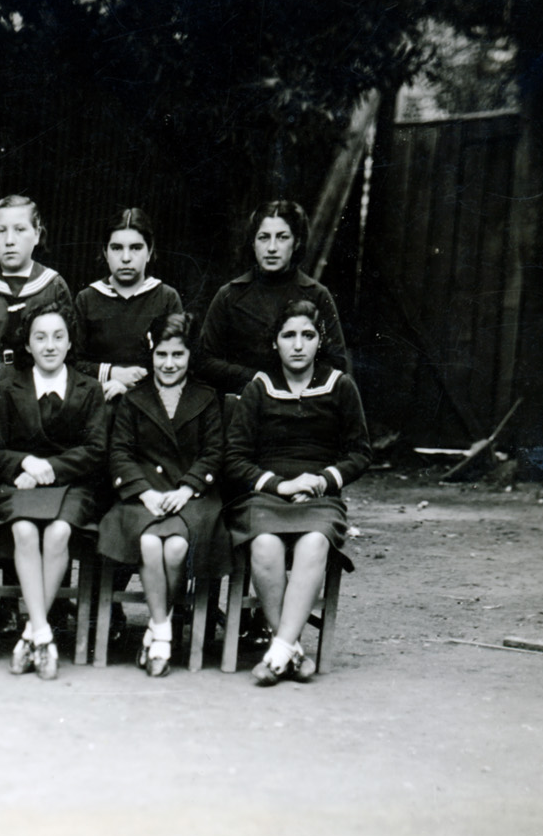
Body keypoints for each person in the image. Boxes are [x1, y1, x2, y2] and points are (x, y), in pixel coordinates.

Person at [223, 299, 371, 685]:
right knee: (264, 545)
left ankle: (277, 651)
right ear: (275, 343)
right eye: (289, 335)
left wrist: (322, 480)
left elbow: (359, 453)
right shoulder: (259, 388)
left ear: (319, 340)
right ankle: (290, 650)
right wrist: (281, 485)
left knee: (315, 543)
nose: (298, 344)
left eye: (307, 335)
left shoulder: (340, 385)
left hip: (319, 498)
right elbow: (235, 458)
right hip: (266, 496)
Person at [0, 302, 107, 680]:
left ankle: (29, 635)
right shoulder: (8, 389)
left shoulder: (88, 389)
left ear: (70, 343)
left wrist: (48, 468)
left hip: (72, 484)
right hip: (18, 482)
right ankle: (42, 634)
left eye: (58, 337)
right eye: (40, 337)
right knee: (23, 531)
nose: (50, 345)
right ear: (28, 345)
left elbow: (96, 450)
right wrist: (24, 464)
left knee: (58, 533)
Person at [96, 312, 223, 676]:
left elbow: (214, 452)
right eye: (161, 355)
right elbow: (119, 453)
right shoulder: (134, 399)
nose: (169, 364)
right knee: (152, 544)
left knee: (178, 546)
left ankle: (155, 629)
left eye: (177, 355)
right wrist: (144, 493)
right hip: (144, 497)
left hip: (192, 497)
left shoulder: (206, 397)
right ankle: (163, 631)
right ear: (150, 354)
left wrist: (188, 487)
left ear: (189, 356)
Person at [197, 200, 351, 396]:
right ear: (253, 243)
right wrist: (256, 379)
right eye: (263, 237)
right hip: (244, 404)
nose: (272, 247)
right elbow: (204, 361)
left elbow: (336, 362)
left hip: (302, 407)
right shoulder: (230, 295)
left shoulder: (316, 295)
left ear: (296, 243)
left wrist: (299, 386)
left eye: (282, 237)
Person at [0, 195, 71, 389]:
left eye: (20, 230)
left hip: (37, 393)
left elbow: (69, 355)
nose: (9, 240)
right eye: (0, 231)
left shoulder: (54, 286)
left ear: (36, 234)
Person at [72, 209, 184, 401]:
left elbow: (179, 360)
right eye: (116, 248)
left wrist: (135, 387)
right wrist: (111, 374)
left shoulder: (166, 298)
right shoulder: (87, 299)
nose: (125, 258)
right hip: (100, 400)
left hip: (152, 402)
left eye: (135, 248)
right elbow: (71, 362)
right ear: (105, 252)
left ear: (149, 252)